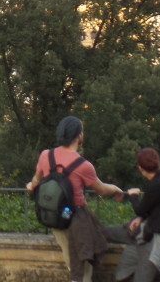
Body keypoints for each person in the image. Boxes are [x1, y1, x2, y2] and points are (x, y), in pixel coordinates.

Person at [27, 116, 124, 282]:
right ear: (79, 136)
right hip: (76, 218)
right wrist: (116, 189)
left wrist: (30, 185)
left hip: (55, 216)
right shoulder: (83, 165)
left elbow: (36, 180)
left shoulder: (46, 155)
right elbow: (101, 189)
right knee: (82, 266)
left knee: (71, 260)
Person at [105, 147, 160, 282]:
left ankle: (95, 233)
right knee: (131, 242)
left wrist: (133, 196)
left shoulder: (157, 184)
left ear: (141, 168)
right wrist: (141, 218)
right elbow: (158, 208)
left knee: (133, 242)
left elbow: (140, 209)